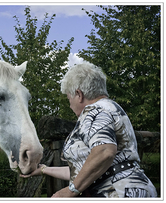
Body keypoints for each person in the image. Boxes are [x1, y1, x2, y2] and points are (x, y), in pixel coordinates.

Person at [20, 63, 157, 198]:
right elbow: (88, 170)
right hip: (133, 188)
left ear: (79, 94)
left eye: (69, 98)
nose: (69, 105)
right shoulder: (112, 109)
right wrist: (44, 169)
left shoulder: (94, 111)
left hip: (114, 192)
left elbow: (104, 152)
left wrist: (71, 190)